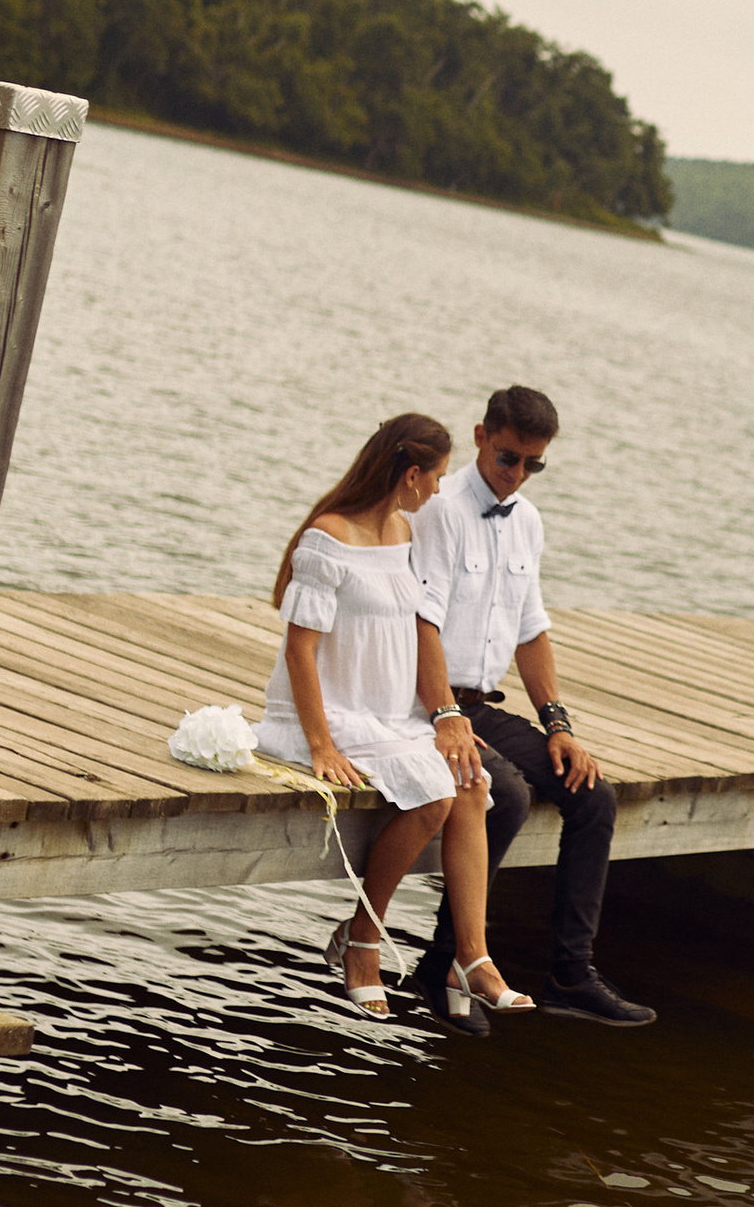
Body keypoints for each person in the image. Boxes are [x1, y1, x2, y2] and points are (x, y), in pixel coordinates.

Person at [256, 412, 533, 1033]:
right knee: (435, 794)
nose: (439, 489)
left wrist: (443, 715)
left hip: (388, 712)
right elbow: (300, 649)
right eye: (434, 477)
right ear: (411, 475)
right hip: (330, 715)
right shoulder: (327, 537)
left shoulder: (402, 532)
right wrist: (320, 744)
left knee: (471, 782)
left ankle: (472, 957)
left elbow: (409, 630)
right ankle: (362, 940)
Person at [409, 386, 654, 1027]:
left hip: (481, 707)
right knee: (506, 796)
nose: (516, 475)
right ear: (481, 436)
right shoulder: (439, 511)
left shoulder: (528, 521)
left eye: (532, 465)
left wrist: (559, 725)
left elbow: (531, 631)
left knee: (593, 792)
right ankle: (442, 968)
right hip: (424, 705)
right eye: (509, 458)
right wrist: (444, 716)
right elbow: (421, 625)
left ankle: (570, 975)